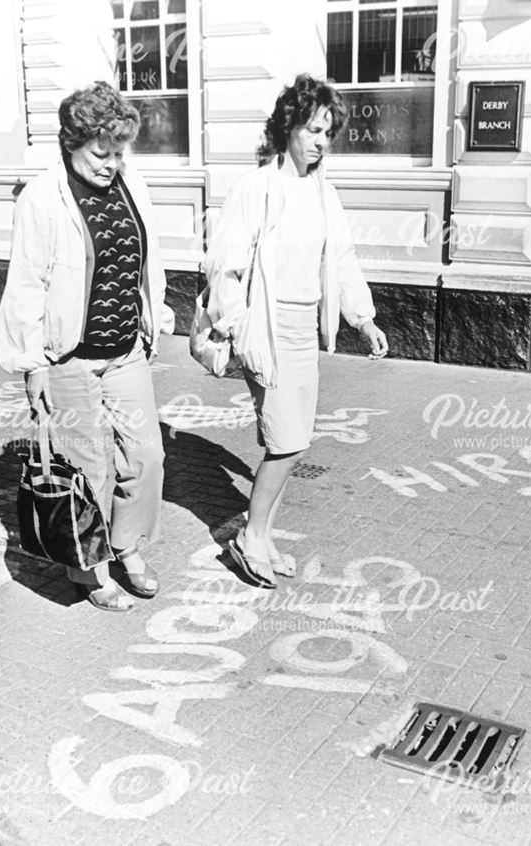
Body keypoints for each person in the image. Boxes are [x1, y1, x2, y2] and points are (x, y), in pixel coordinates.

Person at [203, 73, 388, 589]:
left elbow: (343, 258)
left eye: (327, 132)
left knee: (295, 441)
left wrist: (363, 317)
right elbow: (226, 265)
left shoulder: (323, 193)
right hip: (266, 325)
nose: (319, 141)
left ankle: (261, 536)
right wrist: (236, 327)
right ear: (288, 127)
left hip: (305, 328)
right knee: (285, 442)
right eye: (310, 129)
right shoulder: (257, 189)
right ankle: (248, 537)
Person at [0, 81, 166, 611]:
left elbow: (146, 261)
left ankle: (126, 546)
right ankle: (88, 571)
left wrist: (152, 320)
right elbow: (26, 282)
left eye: (119, 152)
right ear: (72, 142)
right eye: (101, 152)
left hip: (124, 349)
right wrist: (31, 365)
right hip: (67, 357)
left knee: (146, 455)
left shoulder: (131, 184)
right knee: (88, 467)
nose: (111, 163)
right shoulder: (43, 198)